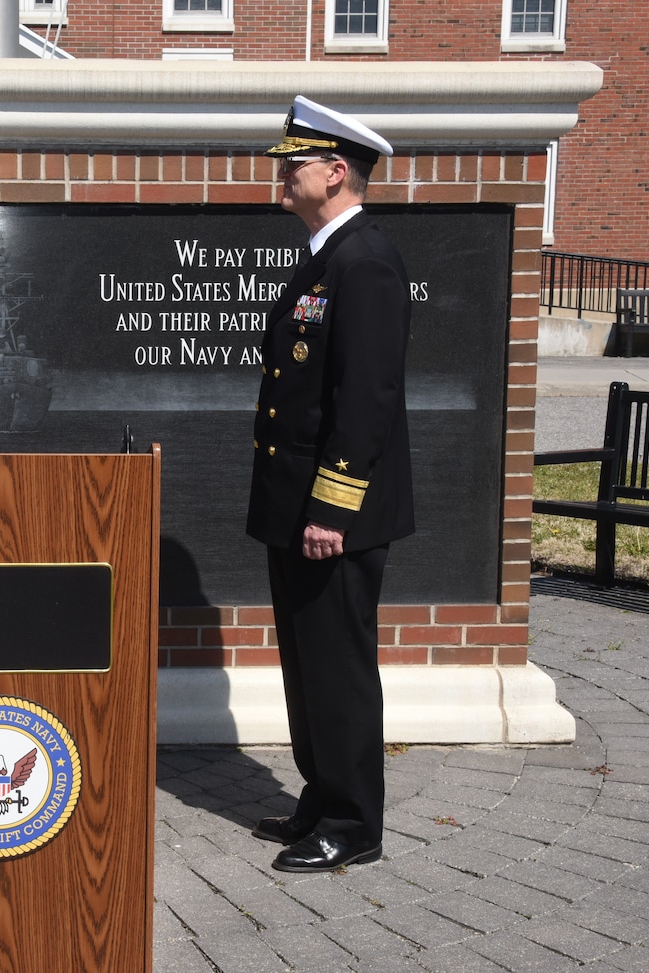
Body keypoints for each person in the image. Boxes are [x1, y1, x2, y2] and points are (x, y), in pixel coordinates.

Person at [246, 96, 414, 873]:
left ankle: (354, 822)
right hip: (298, 508)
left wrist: (329, 508)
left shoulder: (366, 260)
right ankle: (322, 795)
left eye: (295, 164)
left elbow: (366, 398)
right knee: (307, 662)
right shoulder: (325, 256)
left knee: (338, 665)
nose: (283, 175)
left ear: (336, 171)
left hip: (332, 512)